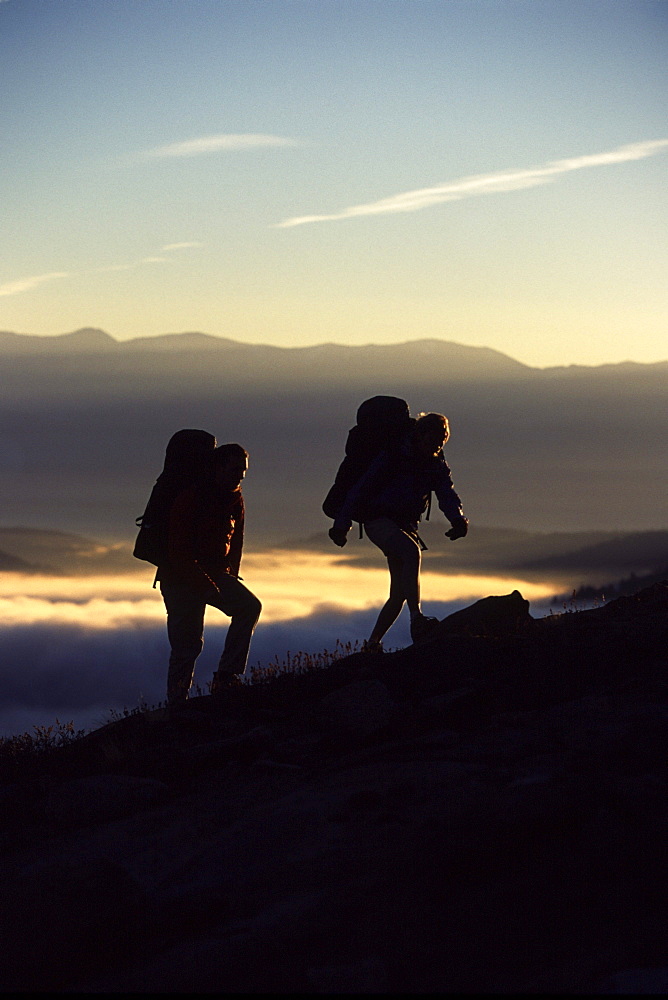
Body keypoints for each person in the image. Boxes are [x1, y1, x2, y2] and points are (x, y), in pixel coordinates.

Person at [329, 412, 468, 649]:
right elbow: (361, 489)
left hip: (405, 526)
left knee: (400, 593)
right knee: (411, 553)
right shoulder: (393, 456)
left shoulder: (436, 463)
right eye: (433, 440)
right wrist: (342, 524)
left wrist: (458, 519)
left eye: (441, 441)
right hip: (378, 520)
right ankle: (417, 619)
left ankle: (372, 643)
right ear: (420, 435)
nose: (436, 445)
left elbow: (446, 493)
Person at [158, 443, 261, 703]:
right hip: (179, 577)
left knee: (249, 606)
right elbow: (178, 549)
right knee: (187, 647)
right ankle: (177, 704)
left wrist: (230, 574)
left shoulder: (234, 496)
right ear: (218, 467)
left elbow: (236, 538)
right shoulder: (191, 496)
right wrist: (203, 581)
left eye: (244, 470)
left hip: (212, 573)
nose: (241, 475)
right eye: (236, 469)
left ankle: (226, 677)